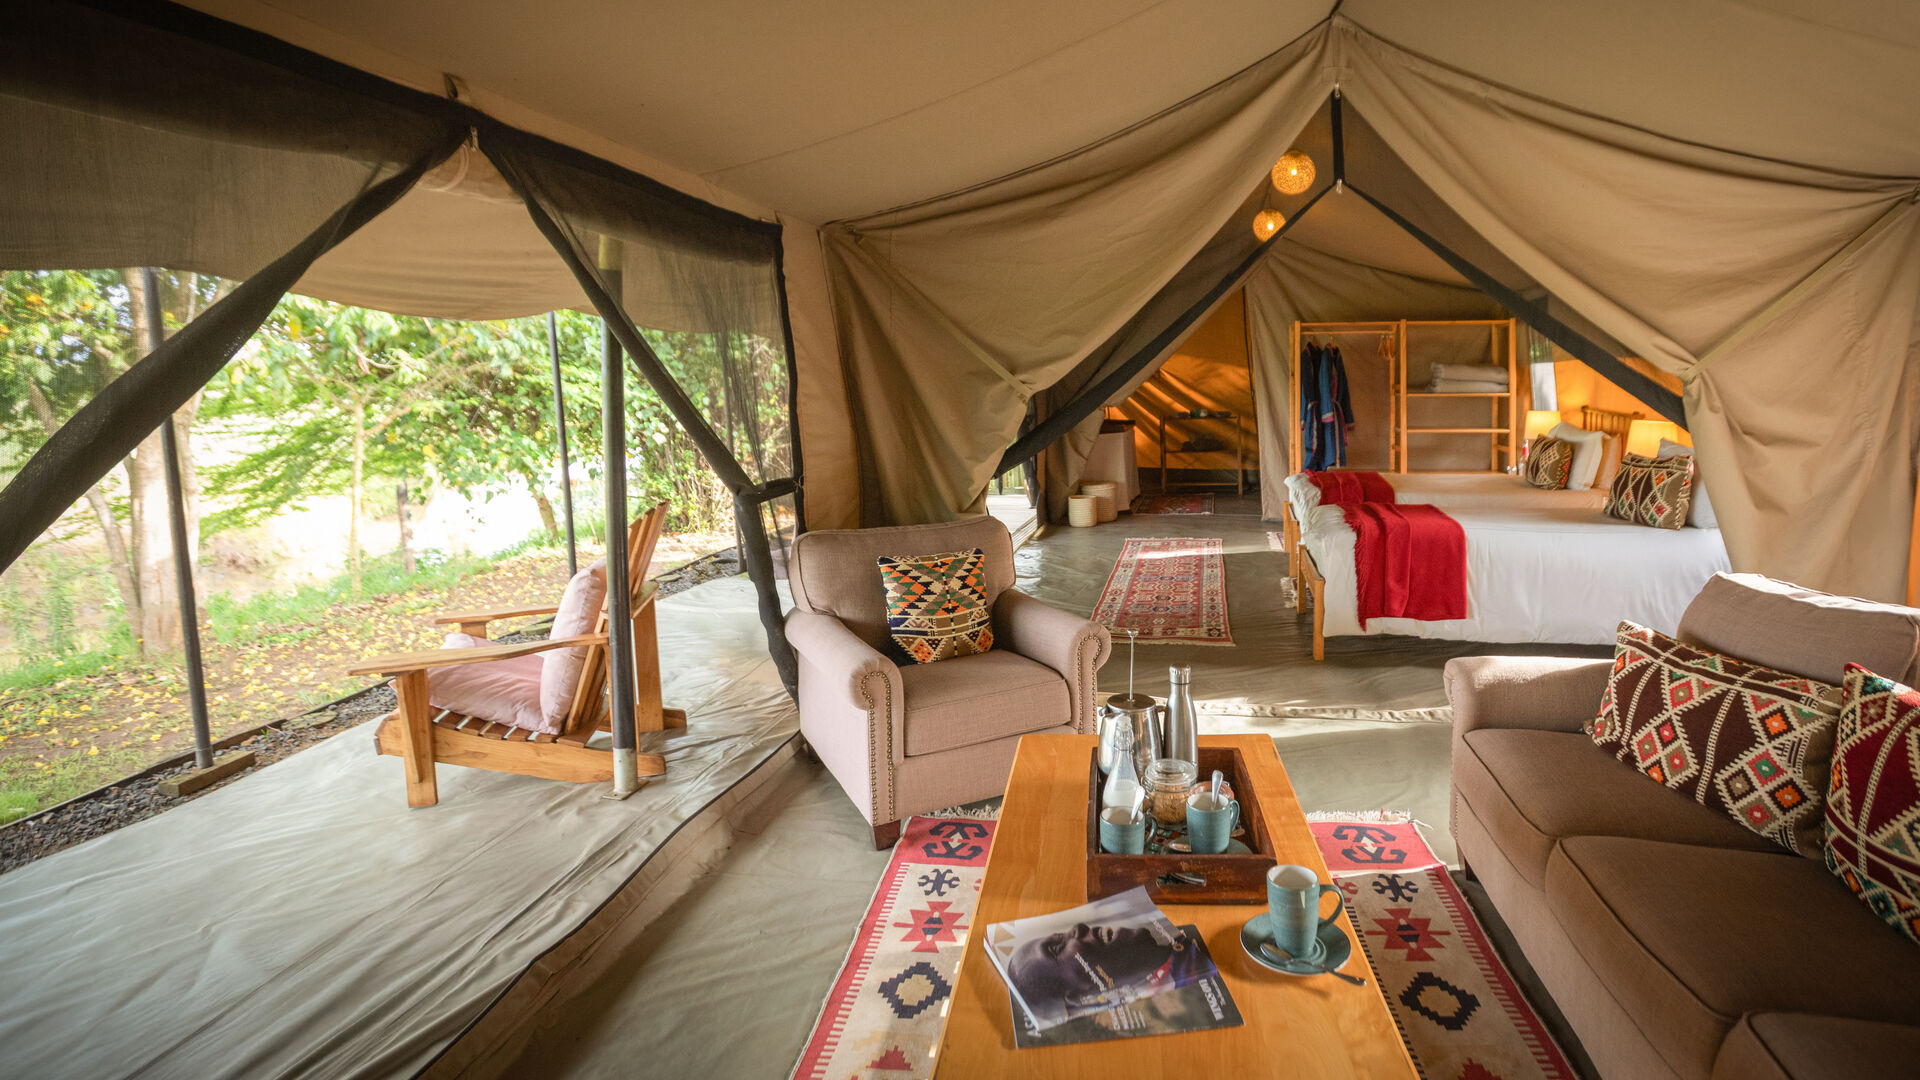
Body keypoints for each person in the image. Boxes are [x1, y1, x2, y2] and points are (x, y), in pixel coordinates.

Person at [1005, 919, 1204, 1026]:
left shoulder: (1184, 946)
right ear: (1079, 996)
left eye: (1062, 935)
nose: (1078, 927)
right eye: (1058, 948)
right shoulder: (1183, 1002)